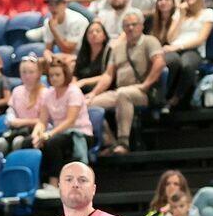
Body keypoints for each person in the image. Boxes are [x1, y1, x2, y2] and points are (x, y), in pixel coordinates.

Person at [87, 11, 166, 155]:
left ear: (141, 26)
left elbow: (159, 63)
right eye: (127, 25)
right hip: (120, 90)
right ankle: (109, 141)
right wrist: (93, 93)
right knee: (88, 104)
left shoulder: (150, 41)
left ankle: (123, 142)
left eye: (134, 24)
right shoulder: (117, 48)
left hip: (143, 91)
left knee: (124, 94)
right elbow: (108, 75)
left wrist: (146, 84)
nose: (130, 28)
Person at [34, 59, 92, 194]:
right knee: (31, 143)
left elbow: (70, 120)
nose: (54, 78)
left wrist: (49, 134)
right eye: (51, 75)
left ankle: (54, 185)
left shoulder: (74, 92)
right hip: (58, 133)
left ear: (65, 75)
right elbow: (42, 121)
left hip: (79, 134)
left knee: (53, 142)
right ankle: (36, 184)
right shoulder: (48, 94)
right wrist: (36, 134)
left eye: (57, 75)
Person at [163, 0, 213, 110]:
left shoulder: (207, 13)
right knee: (170, 61)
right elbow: (170, 38)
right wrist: (181, 16)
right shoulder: (179, 13)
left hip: (194, 50)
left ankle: (176, 98)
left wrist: (179, 47)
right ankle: (162, 97)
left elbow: (201, 39)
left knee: (186, 64)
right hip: (174, 48)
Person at [27, 0, 89, 65]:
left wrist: (53, 30)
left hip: (83, 56)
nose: (53, 8)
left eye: (56, 4)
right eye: (50, 4)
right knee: (32, 64)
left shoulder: (76, 20)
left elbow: (68, 50)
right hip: (65, 56)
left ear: (65, 4)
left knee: (67, 64)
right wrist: (47, 55)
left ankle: (41, 32)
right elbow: (48, 49)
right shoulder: (48, 22)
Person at [74, 20, 112, 93]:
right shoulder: (83, 52)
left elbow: (108, 75)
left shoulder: (109, 52)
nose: (94, 34)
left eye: (98, 31)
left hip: (101, 89)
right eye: (90, 32)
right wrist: (73, 85)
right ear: (86, 37)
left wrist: (84, 81)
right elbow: (75, 74)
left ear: (104, 36)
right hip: (80, 89)